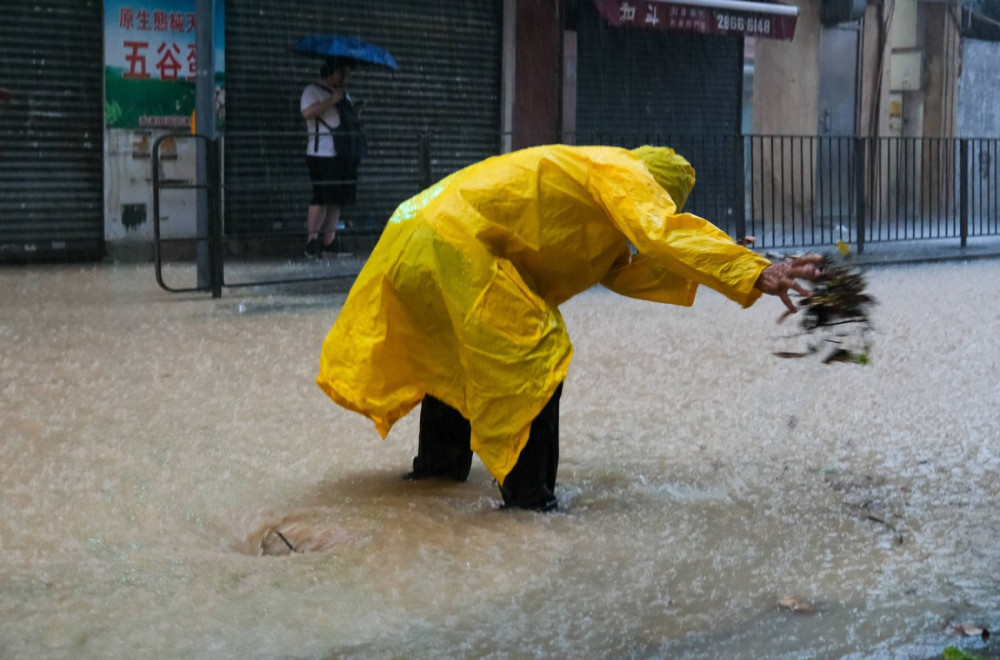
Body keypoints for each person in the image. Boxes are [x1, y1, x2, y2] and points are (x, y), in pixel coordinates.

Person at [316, 144, 821, 511]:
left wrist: (738, 258)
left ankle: (438, 477)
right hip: (450, 238)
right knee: (534, 354)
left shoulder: (590, 201)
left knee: (460, 349)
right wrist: (752, 271)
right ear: (653, 189)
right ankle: (529, 502)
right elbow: (662, 234)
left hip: (415, 228)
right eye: (663, 203)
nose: (657, 210)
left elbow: (635, 268)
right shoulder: (620, 173)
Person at [300, 57, 366, 259]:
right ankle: (311, 241)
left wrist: (356, 112)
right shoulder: (312, 91)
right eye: (342, 73)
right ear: (331, 73)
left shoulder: (344, 95)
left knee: (336, 199)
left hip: (342, 153)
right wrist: (331, 101)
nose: (345, 77)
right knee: (321, 197)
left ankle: (329, 241)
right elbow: (307, 113)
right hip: (321, 153)